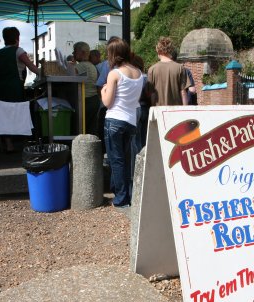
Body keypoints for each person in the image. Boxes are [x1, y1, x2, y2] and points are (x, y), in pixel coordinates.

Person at [101, 37, 144, 208]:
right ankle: (127, 194)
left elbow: (107, 102)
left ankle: (120, 198)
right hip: (131, 121)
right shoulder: (139, 74)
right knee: (126, 160)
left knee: (116, 161)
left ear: (113, 54)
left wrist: (104, 89)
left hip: (114, 120)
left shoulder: (115, 74)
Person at [0, 27, 40, 152]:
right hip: (14, 86)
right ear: (17, 38)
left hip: (0, 87)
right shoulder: (18, 51)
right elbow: (31, 66)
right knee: (20, 112)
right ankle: (25, 142)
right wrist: (44, 73)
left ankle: (9, 144)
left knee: (5, 114)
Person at [147, 37, 190, 106]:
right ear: (171, 50)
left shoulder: (152, 69)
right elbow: (183, 92)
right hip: (176, 111)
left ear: (157, 50)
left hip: (159, 112)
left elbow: (152, 94)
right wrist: (185, 109)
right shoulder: (180, 68)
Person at [73, 42, 100, 135]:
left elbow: (69, 77)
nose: (73, 53)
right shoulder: (92, 65)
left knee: (81, 130)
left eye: (75, 51)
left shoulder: (81, 65)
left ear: (83, 52)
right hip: (94, 99)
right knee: (91, 131)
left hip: (86, 101)